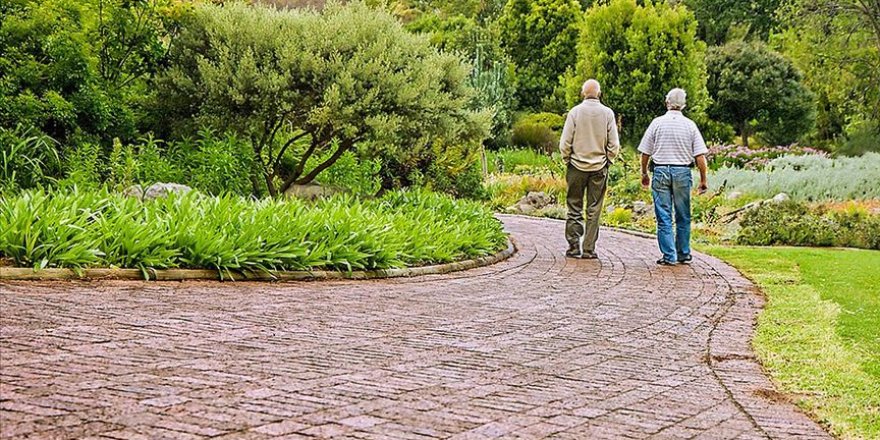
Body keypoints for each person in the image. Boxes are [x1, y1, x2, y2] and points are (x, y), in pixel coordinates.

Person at [637, 88, 709, 266]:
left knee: (664, 215)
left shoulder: (657, 123)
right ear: (683, 105)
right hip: (682, 171)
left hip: (661, 170)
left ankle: (669, 255)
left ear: (667, 102)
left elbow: (645, 152)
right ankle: (683, 253)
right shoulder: (690, 125)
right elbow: (700, 156)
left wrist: (644, 173)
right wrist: (703, 180)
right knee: (683, 215)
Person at [559, 79, 620, 259]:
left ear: (583, 93)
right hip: (599, 167)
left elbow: (565, 142)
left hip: (576, 166)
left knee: (574, 205)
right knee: (594, 209)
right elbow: (614, 144)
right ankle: (588, 248)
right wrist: (608, 160)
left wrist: (567, 159)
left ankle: (573, 246)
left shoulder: (575, 112)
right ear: (599, 93)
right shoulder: (607, 113)